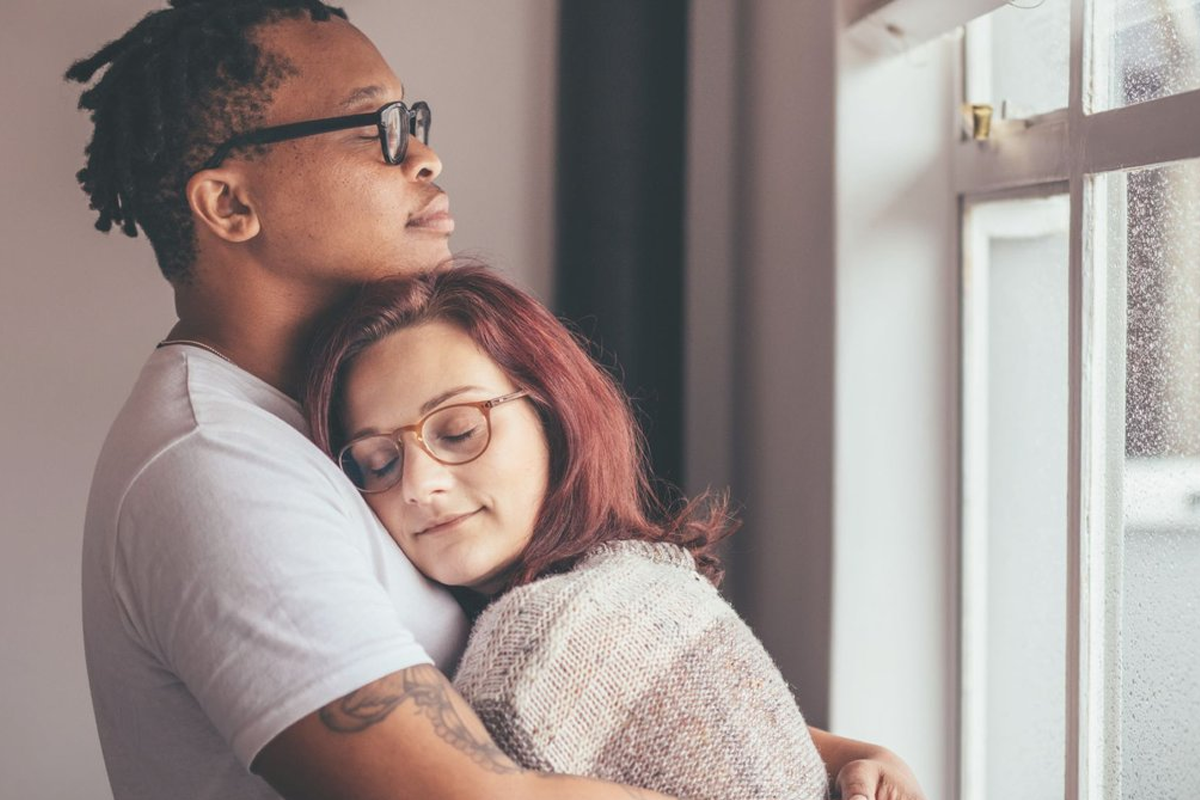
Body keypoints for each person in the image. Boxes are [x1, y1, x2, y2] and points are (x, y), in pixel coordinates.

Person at [68, 1, 921, 799]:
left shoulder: (320, 418)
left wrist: (807, 752)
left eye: (414, 121)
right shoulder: (220, 469)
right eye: (376, 128)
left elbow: (549, 698)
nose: (424, 157)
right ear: (229, 203)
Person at [304, 264, 927, 800]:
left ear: (553, 415)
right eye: (378, 463)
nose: (418, 484)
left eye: (459, 431)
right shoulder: (645, 575)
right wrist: (847, 754)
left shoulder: (533, 632)